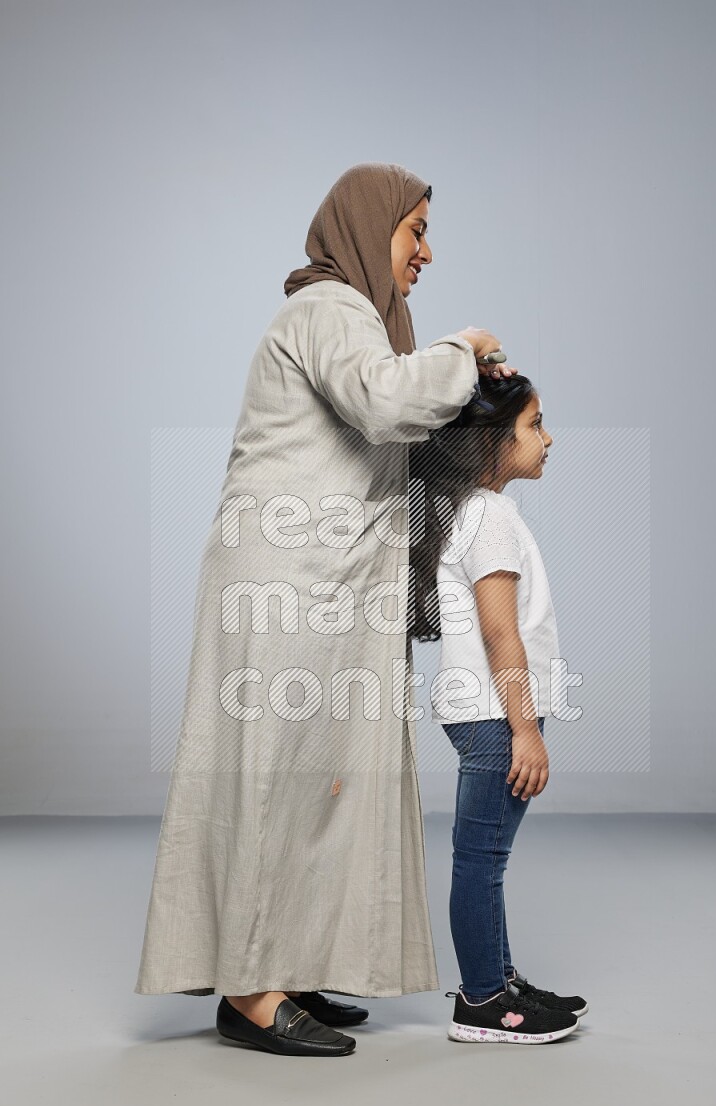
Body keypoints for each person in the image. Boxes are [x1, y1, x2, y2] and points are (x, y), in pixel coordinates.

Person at [134, 161, 519, 1058]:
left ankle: (288, 965)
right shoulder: (330, 308)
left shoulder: (361, 326)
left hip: (325, 582)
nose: (426, 252)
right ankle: (249, 992)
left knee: (318, 777)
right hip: (286, 580)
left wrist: (472, 395)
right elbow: (384, 405)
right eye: (415, 230)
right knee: (274, 776)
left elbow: (396, 432)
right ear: (367, 225)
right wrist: (461, 346)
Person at [408, 372, 589, 1044]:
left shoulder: (473, 510)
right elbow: (499, 631)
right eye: (534, 425)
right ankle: (483, 1001)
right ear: (492, 441)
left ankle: (499, 981)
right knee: (481, 859)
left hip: (487, 710)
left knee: (486, 860)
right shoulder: (490, 516)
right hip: (494, 713)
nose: (548, 439)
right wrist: (524, 730)